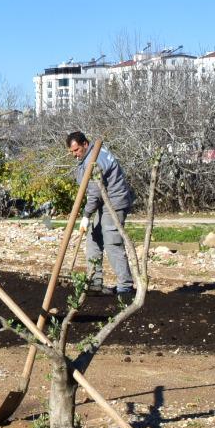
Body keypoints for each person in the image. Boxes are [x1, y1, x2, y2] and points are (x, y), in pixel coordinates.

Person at [66, 130, 135, 305]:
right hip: (104, 202)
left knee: (112, 242)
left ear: (85, 144)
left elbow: (95, 192)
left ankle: (125, 288)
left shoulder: (95, 159)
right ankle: (94, 282)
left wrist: (86, 215)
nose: (74, 155)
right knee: (93, 238)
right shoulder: (87, 158)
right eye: (72, 152)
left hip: (115, 202)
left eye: (76, 150)